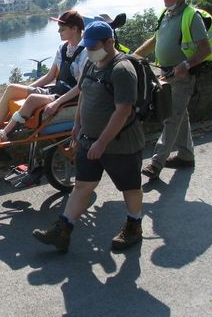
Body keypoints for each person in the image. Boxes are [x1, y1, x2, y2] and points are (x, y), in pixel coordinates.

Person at [32, 21, 145, 252]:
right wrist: (77, 126)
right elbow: (83, 93)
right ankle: (63, 230)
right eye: (89, 46)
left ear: (110, 42)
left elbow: (123, 110)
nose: (91, 51)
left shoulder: (122, 70)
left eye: (95, 46)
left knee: (130, 187)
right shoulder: (92, 65)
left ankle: (134, 226)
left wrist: (103, 142)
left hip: (120, 143)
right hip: (88, 139)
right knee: (82, 185)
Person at [134, 0, 212, 180]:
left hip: (183, 75)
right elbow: (155, 40)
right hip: (167, 72)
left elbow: (205, 49)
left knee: (171, 117)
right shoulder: (166, 13)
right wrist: (133, 58)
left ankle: (156, 162)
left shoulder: (191, 16)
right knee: (179, 115)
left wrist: (186, 65)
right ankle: (186, 156)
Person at [0, 10, 88, 142]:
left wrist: (57, 102)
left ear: (74, 29)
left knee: (32, 99)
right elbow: (49, 76)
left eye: (62, 29)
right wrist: (25, 90)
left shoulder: (85, 53)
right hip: (55, 91)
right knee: (12, 88)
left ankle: (2, 135)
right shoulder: (63, 48)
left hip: (68, 97)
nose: (59, 32)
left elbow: (80, 87)